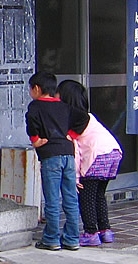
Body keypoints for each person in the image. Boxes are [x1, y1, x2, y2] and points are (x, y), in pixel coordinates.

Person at [25, 72, 89, 251]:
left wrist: (35, 140)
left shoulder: (35, 106)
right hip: (69, 155)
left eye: (31, 89)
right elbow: (84, 117)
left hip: (51, 157)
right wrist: (71, 135)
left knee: (52, 199)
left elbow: (31, 122)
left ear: (37, 89)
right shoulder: (64, 106)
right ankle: (71, 239)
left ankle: (51, 239)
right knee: (70, 198)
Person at [56, 80, 123, 247]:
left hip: (97, 156)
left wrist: (76, 176)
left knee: (86, 197)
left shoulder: (73, 121)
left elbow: (76, 150)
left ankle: (91, 232)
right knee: (99, 195)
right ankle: (105, 231)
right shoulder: (88, 117)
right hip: (113, 153)